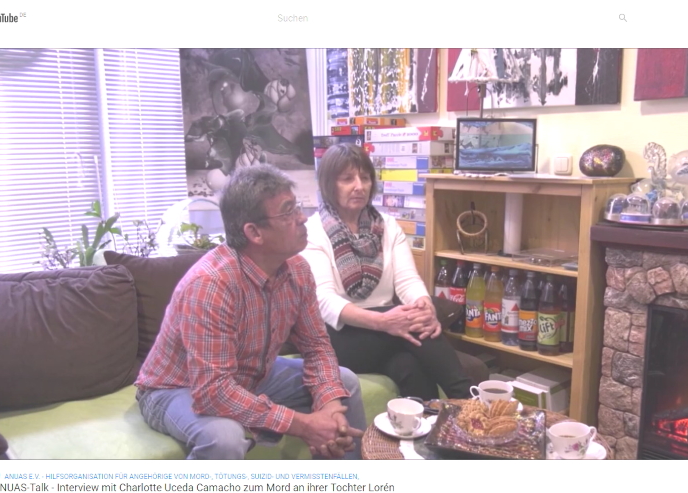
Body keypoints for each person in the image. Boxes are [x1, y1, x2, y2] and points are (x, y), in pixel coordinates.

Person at [135, 163, 365, 460]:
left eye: (297, 207)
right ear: (254, 232)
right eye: (288, 212)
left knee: (343, 383)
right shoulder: (210, 285)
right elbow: (213, 392)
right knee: (225, 438)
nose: (302, 218)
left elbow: (317, 346)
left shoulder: (298, 270)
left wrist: (330, 406)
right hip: (176, 387)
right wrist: (304, 425)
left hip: (250, 376)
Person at [301, 143, 472, 401]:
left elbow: (407, 281)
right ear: (329, 184)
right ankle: (469, 401)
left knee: (410, 367)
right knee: (412, 328)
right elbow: (324, 301)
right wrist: (383, 322)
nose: (359, 186)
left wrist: (425, 307)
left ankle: (427, 424)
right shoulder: (313, 232)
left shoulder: (388, 226)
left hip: (386, 333)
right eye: (347, 179)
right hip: (336, 335)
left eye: (365, 178)